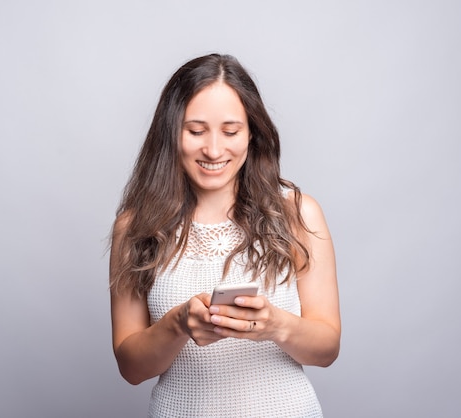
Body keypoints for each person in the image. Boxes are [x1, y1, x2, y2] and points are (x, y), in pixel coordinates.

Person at [109, 53, 340, 417]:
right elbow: (131, 368)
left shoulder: (297, 213)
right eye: (196, 131)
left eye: (230, 132)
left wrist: (275, 325)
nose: (214, 150)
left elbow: (327, 349)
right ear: (171, 133)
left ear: (253, 132)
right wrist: (178, 324)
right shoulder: (135, 227)